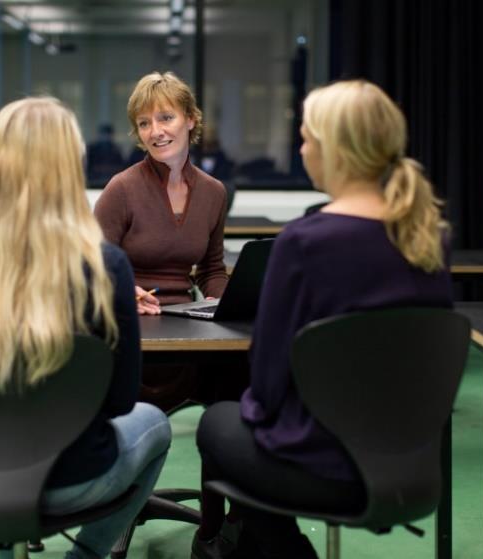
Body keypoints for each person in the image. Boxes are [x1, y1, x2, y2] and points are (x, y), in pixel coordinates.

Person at [193, 80, 454, 559]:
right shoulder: (428, 237)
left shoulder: (305, 243)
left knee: (218, 422)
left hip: (322, 463)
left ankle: (277, 551)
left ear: (336, 150)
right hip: (411, 458)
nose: (301, 147)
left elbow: (267, 380)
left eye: (307, 137)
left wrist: (258, 417)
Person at [0, 97, 171, 559]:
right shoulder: (104, 266)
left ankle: (1, 550)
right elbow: (120, 400)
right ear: (69, 169)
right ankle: (88, 556)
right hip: (76, 480)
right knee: (155, 424)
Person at [94, 71, 228, 315]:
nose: (155, 131)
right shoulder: (121, 188)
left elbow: (211, 269)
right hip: (132, 315)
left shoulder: (213, 192)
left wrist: (226, 302)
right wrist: (125, 292)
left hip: (187, 317)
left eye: (166, 118)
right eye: (144, 123)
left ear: (190, 119)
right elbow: (93, 267)